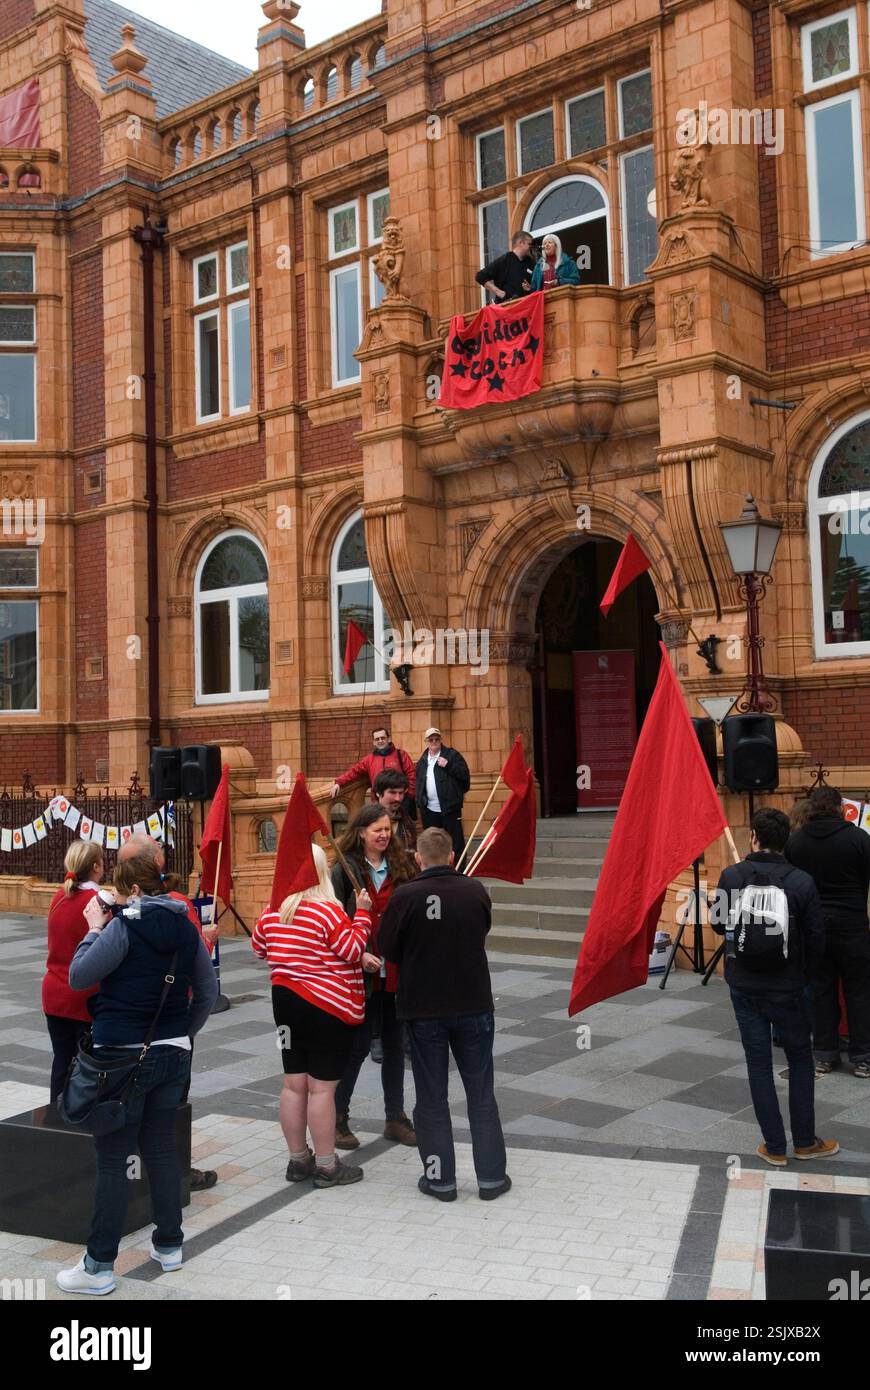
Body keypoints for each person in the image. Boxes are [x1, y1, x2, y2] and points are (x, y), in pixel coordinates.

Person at [56, 852, 217, 1295]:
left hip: (120, 1059)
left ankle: (99, 1266)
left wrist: (93, 929)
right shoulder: (185, 926)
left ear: (134, 891)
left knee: (113, 1160)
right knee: (161, 1149)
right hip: (172, 1052)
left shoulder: (124, 927)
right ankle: (169, 1246)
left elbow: (79, 975)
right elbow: (208, 990)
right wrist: (182, 1033)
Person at [378, 827, 510, 1201]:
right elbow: (481, 930)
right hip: (473, 1005)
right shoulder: (475, 890)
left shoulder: (405, 896)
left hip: (424, 1009)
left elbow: (388, 947)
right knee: (481, 1092)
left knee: (431, 1097)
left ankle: (441, 1180)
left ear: (419, 859)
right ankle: (491, 1179)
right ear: (452, 855)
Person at [712, 807, 838, 1167]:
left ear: (754, 837)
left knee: (758, 1063)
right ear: (786, 841)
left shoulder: (731, 876)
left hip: (744, 985)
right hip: (789, 987)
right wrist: (805, 977)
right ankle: (804, 1141)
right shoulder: (801, 882)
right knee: (800, 1059)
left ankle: (774, 1145)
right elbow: (816, 939)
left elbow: (719, 927)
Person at [251, 844, 375, 1189]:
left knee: (294, 1084)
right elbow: (351, 949)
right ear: (321, 872)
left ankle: (297, 1160)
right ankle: (326, 1165)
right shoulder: (327, 911)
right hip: (325, 1007)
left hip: (285, 1006)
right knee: (322, 1089)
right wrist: (363, 913)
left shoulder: (273, 911)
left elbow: (259, 947)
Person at [118, 831, 218, 1191]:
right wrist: (187, 1030)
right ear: (157, 864)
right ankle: (173, 1173)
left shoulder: (114, 915)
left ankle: (132, 1175)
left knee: (127, 1108)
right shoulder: (178, 907)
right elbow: (203, 981)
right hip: (171, 1027)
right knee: (169, 1106)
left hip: (123, 1035)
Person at [331, 804, 418, 1150]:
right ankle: (338, 1117)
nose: (384, 835)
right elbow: (334, 921)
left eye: (388, 828)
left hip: (395, 972)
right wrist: (358, 951)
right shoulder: (344, 870)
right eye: (377, 829)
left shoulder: (403, 866)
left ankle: (395, 1117)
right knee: (358, 1046)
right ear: (362, 832)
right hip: (360, 974)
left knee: (395, 1046)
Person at [786, 786, 870, 1079]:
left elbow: (792, 882)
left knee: (822, 991)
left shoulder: (796, 841)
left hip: (815, 926)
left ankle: (824, 1054)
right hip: (853, 925)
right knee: (859, 992)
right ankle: (863, 1057)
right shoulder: (859, 838)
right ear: (839, 808)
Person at [43, 842, 103, 1102]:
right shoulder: (96, 901)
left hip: (53, 992)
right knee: (85, 1065)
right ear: (96, 867)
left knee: (62, 1059)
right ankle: (81, 1117)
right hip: (82, 996)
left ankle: (56, 1116)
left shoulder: (60, 895)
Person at [415, 727, 470, 860]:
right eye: (431, 739)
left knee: (455, 843)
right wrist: (419, 802)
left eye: (437, 739)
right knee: (433, 842)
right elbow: (418, 783)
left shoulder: (452, 755)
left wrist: (449, 765)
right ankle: (437, 870)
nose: (434, 741)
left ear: (441, 740)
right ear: (426, 742)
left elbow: (465, 777)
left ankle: (459, 871)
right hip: (429, 810)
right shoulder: (422, 760)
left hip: (450, 809)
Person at [330, 726, 416, 806]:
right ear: (374, 742)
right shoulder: (369, 759)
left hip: (398, 801)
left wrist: (409, 796)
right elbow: (354, 772)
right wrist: (339, 783)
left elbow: (411, 775)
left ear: (389, 739)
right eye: (377, 739)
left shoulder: (400, 755)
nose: (380, 741)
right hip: (378, 802)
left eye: (383, 738)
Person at [476, 231, 535, 303]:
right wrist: (498, 292)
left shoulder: (531, 263)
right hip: (506, 308)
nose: (531, 247)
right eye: (529, 244)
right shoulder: (505, 260)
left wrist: (530, 289)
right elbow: (480, 276)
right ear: (521, 243)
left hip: (526, 306)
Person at [374, 768, 418, 853]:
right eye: (392, 793)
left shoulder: (407, 822)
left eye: (401, 793)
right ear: (378, 793)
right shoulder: (367, 822)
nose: (398, 798)